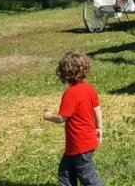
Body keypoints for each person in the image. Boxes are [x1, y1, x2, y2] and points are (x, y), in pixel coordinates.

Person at [43, 51, 105, 186]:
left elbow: (61, 118)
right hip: (83, 141)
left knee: (88, 178)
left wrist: (48, 116)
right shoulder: (89, 88)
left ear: (64, 73)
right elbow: (97, 108)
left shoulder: (71, 93)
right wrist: (99, 127)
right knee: (65, 173)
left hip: (79, 143)